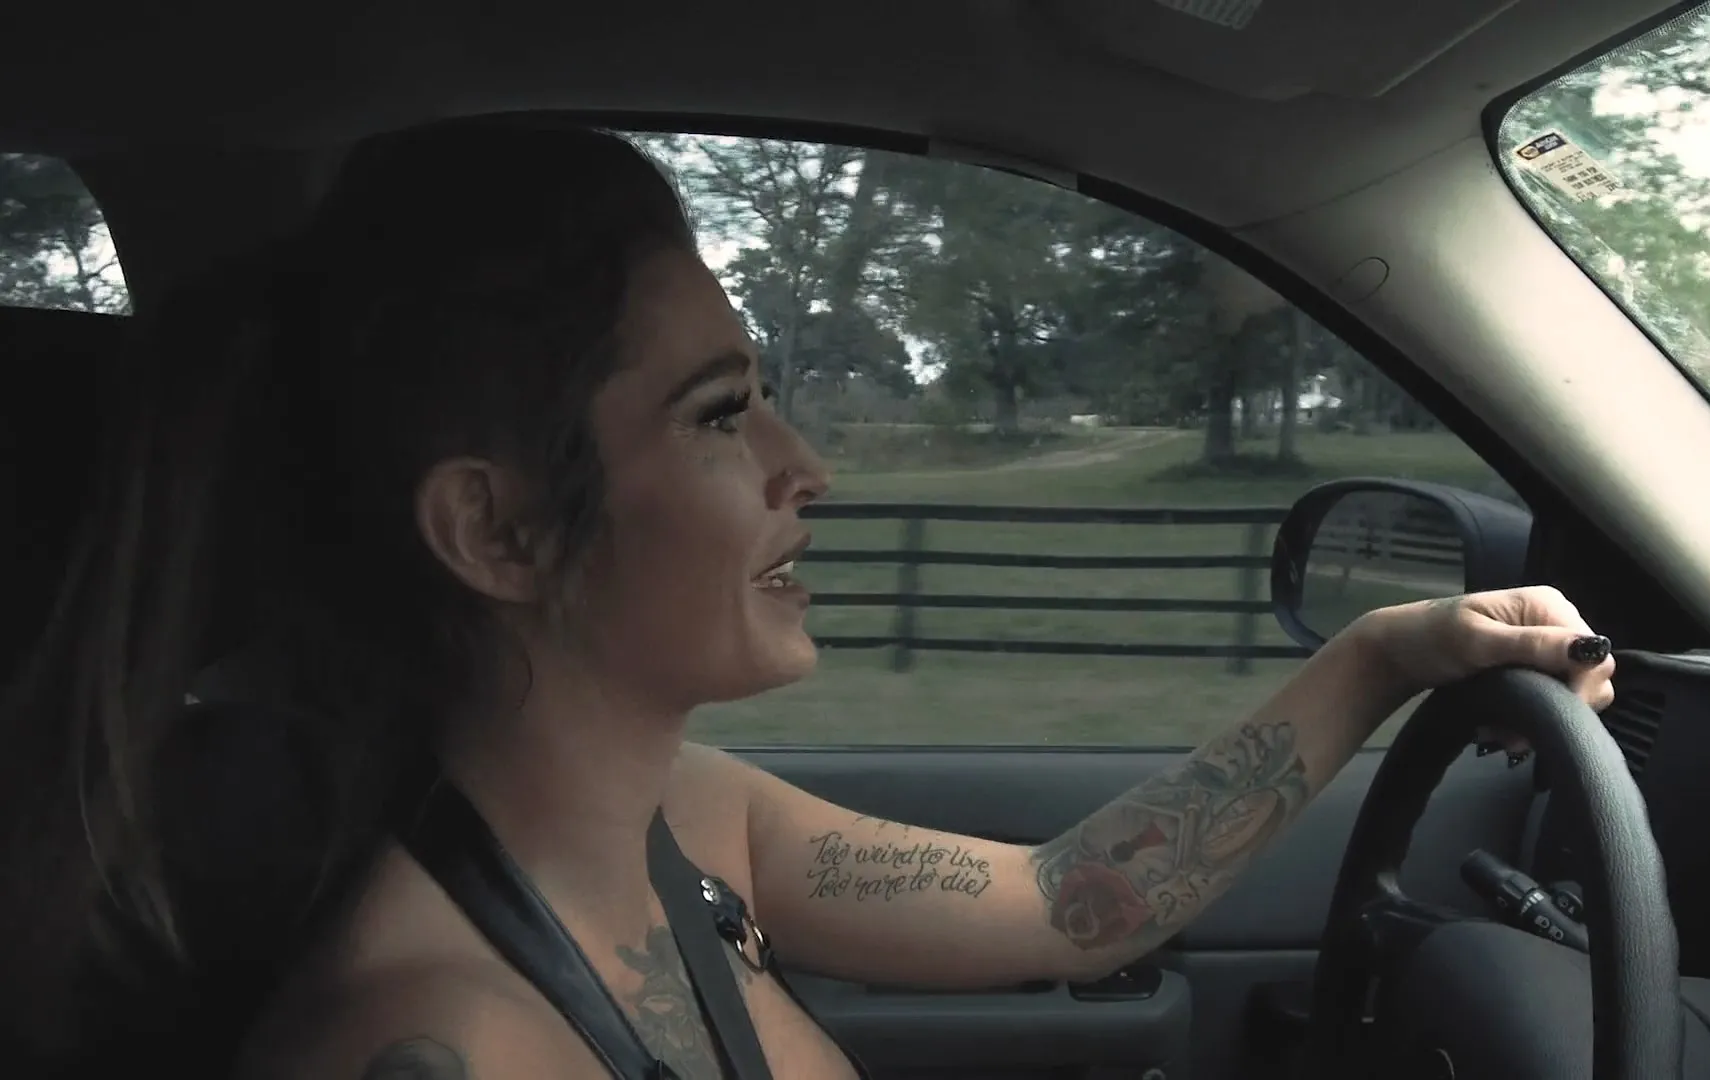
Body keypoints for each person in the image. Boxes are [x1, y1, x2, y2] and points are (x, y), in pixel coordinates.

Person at [0, 121, 1616, 1080]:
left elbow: (1074, 904)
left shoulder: (692, 821)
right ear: (496, 531)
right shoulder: (430, 1046)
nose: (809, 468)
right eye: (720, 415)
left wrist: (1388, 652)